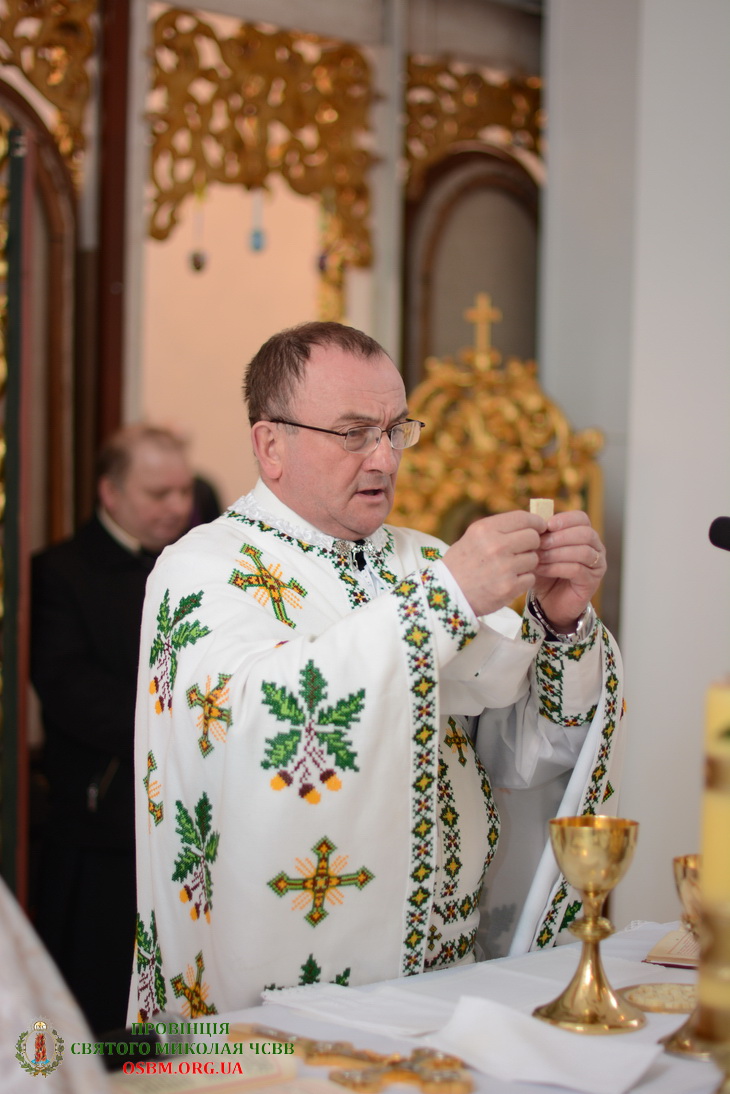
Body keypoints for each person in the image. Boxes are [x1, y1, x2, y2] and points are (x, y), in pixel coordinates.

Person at [129, 323, 624, 1021]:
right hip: (292, 1001)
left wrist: (562, 623)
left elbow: (523, 758)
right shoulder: (203, 570)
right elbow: (265, 725)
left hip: (452, 973)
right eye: (354, 432)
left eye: (395, 430)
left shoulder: (425, 559)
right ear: (271, 445)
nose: (385, 458)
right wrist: (443, 601)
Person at [31, 424, 194, 1035]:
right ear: (110, 492)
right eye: (158, 493)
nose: (176, 507)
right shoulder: (60, 572)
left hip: (182, 813)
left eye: (184, 491)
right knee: (101, 1004)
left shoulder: (193, 564)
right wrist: (183, 720)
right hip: (104, 823)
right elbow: (72, 691)